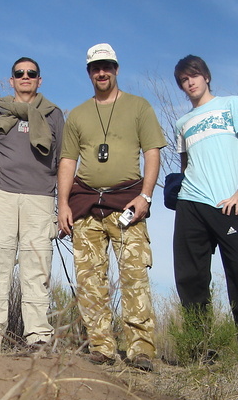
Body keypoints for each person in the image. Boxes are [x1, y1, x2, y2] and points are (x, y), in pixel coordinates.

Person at [57, 44, 166, 371]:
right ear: (89, 72)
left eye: (106, 66)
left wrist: (145, 196)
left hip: (127, 202)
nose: (101, 72)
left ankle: (141, 349)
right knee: (90, 279)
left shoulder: (139, 107)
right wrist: (62, 203)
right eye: (95, 68)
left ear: (116, 69)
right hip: (86, 203)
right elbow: (67, 161)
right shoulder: (76, 114)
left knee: (134, 276)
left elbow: (152, 152)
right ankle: (101, 347)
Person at [172, 55, 238, 366]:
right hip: (190, 204)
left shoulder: (231, 104)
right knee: (191, 279)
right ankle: (201, 351)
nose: (191, 82)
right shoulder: (182, 123)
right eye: (184, 80)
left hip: (225, 204)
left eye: (195, 75)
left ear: (206, 76)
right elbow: (185, 166)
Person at [0, 57, 65, 351]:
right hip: (2, 195)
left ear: (39, 80)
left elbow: (62, 158)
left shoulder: (54, 115)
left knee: (37, 268)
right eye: (19, 73)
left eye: (31, 73)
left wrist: (60, 201)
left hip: (41, 198)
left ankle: (38, 336)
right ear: (12, 80)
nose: (25, 77)